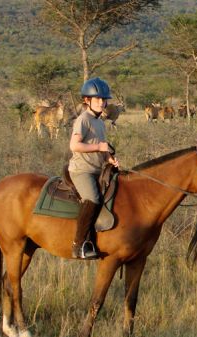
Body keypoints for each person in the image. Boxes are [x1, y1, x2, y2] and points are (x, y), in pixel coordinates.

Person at [69, 77, 120, 259]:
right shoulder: (83, 120)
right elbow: (74, 146)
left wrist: (110, 159)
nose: (102, 102)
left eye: (104, 99)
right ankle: (79, 245)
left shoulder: (100, 122)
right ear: (86, 100)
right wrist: (99, 148)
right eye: (97, 99)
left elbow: (103, 146)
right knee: (93, 199)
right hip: (82, 170)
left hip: (98, 169)